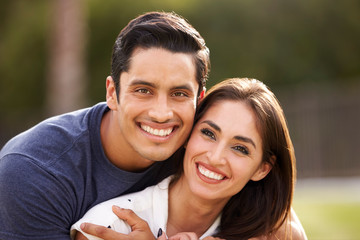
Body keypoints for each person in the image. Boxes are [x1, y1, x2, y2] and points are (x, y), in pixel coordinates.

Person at [0, 11, 210, 240]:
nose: (161, 114)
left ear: (198, 102)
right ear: (112, 93)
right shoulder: (34, 172)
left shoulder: (208, 159)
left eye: (179, 94)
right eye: (143, 91)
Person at [71, 78, 308, 240]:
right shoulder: (111, 225)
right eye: (208, 133)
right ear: (187, 134)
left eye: (240, 148)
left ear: (262, 169)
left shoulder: (269, 233)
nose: (215, 158)